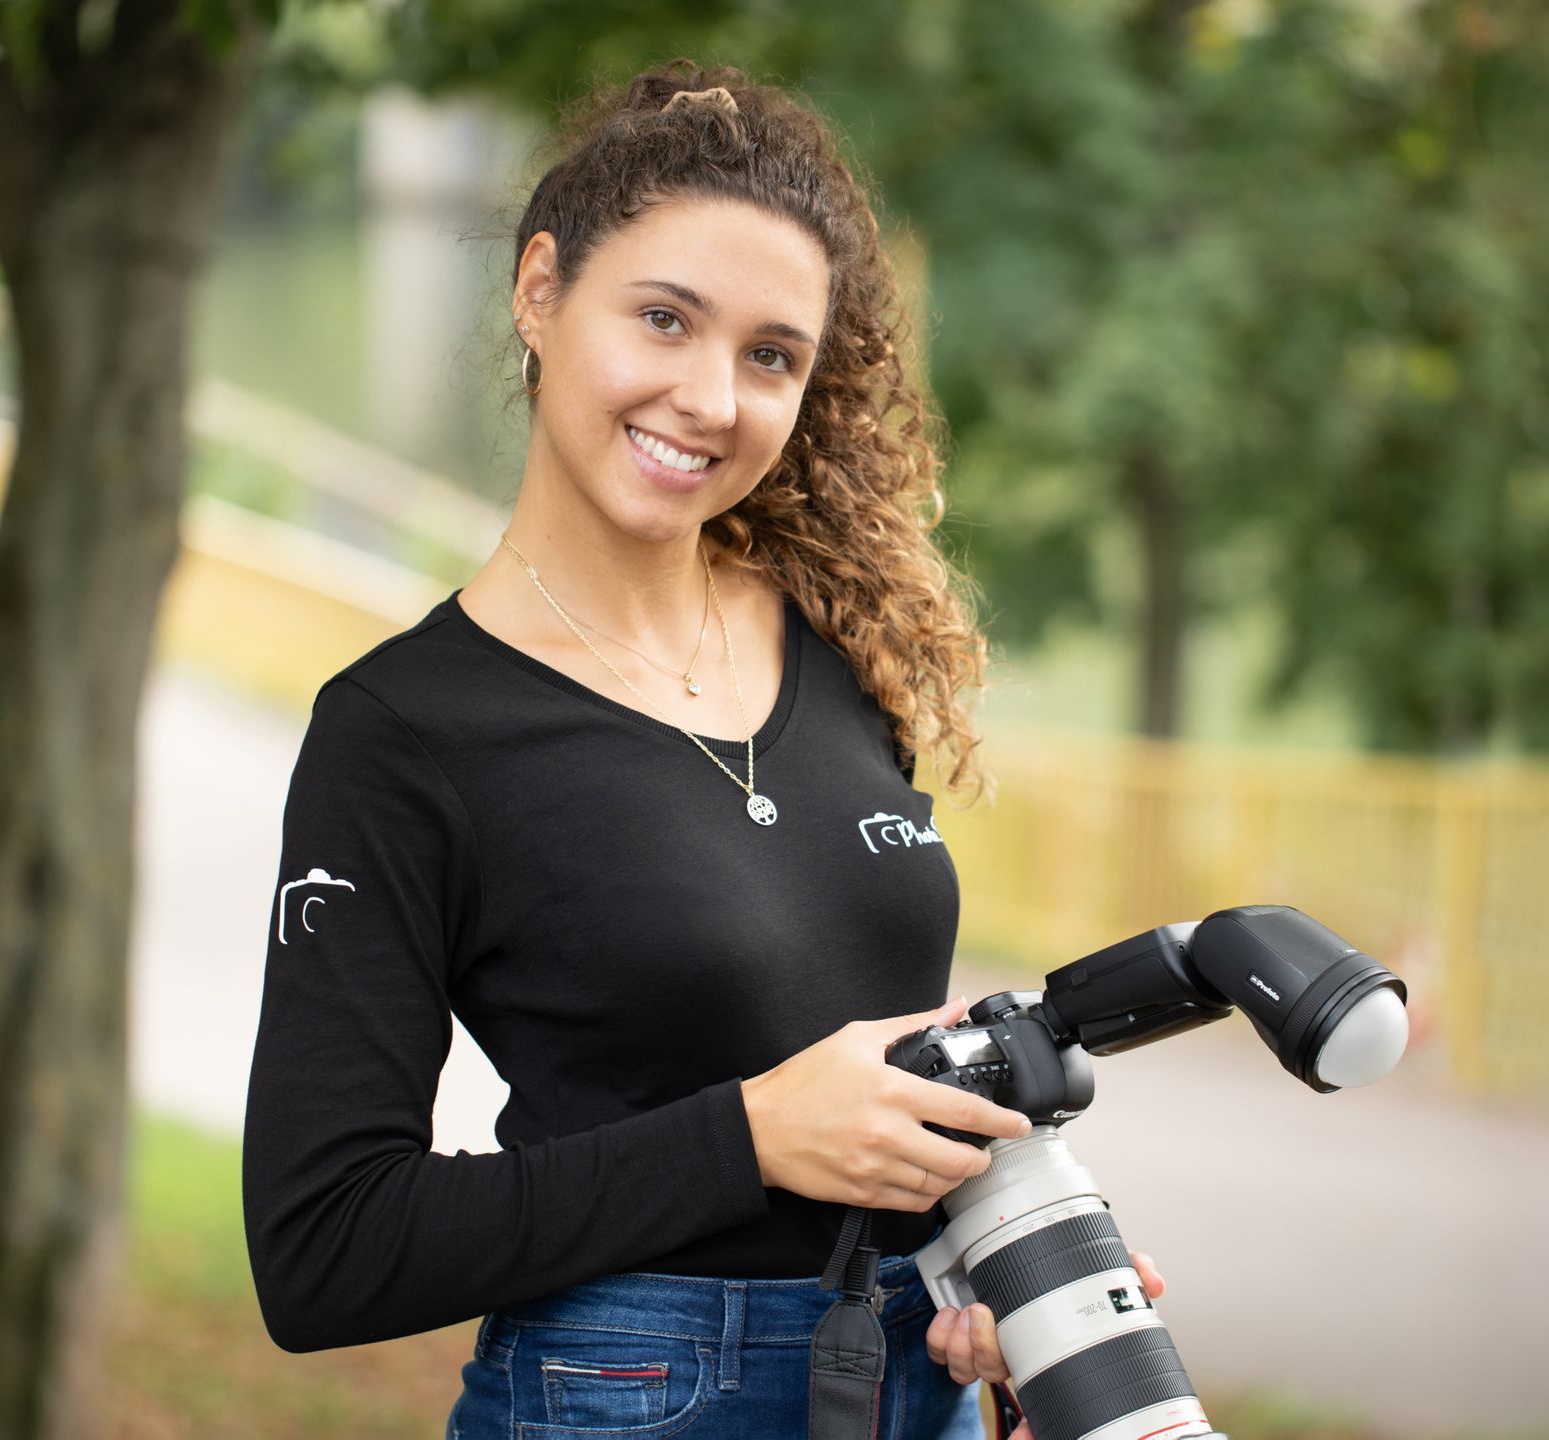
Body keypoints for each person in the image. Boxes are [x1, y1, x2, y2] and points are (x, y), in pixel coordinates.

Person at [240, 58, 1164, 1440]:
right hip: (628, 1397)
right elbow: (323, 1249)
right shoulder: (406, 733)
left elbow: (870, 1086)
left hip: (912, 1382)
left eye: (769, 356)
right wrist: (750, 1137)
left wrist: (1002, 1283)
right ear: (540, 291)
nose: (712, 398)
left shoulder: (836, 653)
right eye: (664, 319)